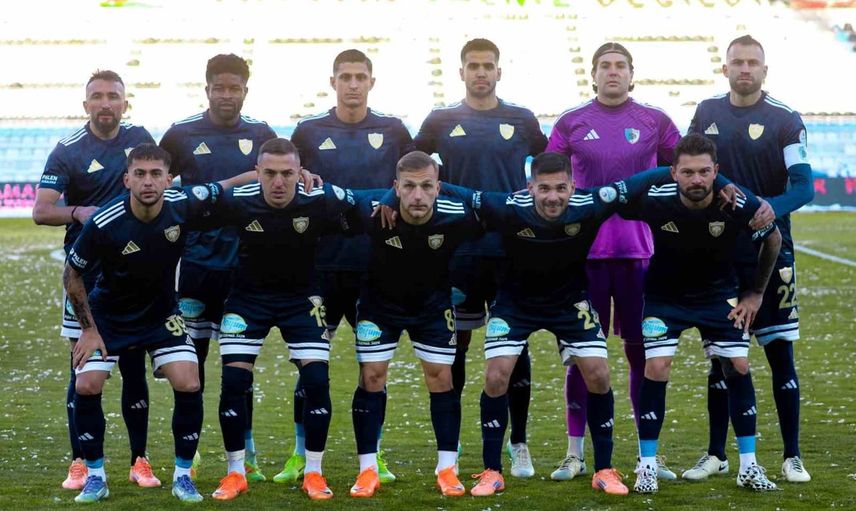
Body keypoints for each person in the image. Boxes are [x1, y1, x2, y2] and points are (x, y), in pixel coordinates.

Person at [62, 143, 254, 503]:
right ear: (127, 180)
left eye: (155, 174)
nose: (147, 181)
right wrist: (88, 329)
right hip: (109, 316)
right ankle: (96, 477)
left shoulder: (183, 204)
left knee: (189, 380)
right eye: (139, 174)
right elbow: (71, 274)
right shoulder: (105, 222)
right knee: (86, 385)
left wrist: (267, 174)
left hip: (161, 314)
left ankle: (183, 477)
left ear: (169, 179)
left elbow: (225, 185)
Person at [545, 42, 681, 482]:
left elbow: (683, 170)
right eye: (605, 66)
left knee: (642, 355)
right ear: (593, 74)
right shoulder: (571, 122)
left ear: (631, 74)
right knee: (582, 356)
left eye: (621, 65)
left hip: (640, 255)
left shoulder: (655, 121)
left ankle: (649, 454)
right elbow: (549, 178)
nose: (613, 72)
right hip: (584, 256)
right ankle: (574, 453)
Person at [414, 38, 547, 477]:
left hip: (511, 251)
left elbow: (550, 167)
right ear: (461, 72)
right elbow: (411, 167)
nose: (481, 73)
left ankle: (519, 443)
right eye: (473, 66)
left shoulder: (522, 119)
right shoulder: (440, 120)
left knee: (514, 346)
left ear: (498, 72)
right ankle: (449, 448)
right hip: (458, 254)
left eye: (488, 66)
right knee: (454, 346)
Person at [684, 34, 814, 484]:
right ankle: (716, 454)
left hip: (773, 252)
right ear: (725, 69)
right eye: (737, 62)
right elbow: (691, 168)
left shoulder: (785, 119)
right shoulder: (707, 112)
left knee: (780, 354)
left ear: (764, 70)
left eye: (752, 63)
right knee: (722, 358)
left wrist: (770, 207)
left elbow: (803, 186)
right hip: (719, 253)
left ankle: (792, 456)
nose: (744, 69)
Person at [622, 134, 782, 494]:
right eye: (688, 172)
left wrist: (756, 293)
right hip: (664, 298)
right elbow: (616, 201)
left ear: (716, 171)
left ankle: (749, 466)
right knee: (657, 367)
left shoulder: (737, 203)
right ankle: (646, 466)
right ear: (673, 173)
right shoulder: (656, 200)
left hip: (718, 297)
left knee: (738, 366)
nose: (697, 179)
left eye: (705, 172)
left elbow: (773, 240)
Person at [281, 48, 413, 485]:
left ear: (371, 82)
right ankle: (299, 455)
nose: (353, 84)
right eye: (345, 77)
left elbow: (414, 178)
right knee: (310, 366)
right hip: (318, 267)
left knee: (374, 367)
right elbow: (288, 180)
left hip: (376, 266)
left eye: (360, 76)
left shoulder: (393, 130)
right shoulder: (309, 131)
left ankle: (374, 456)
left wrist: (390, 197)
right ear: (333, 82)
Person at [205, 138, 360, 502]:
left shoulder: (319, 199)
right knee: (233, 382)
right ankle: (235, 473)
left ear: (300, 172)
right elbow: (188, 208)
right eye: (270, 173)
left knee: (316, 381)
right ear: (257, 173)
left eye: (287, 174)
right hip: (247, 300)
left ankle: (314, 472)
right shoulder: (237, 201)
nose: (278, 182)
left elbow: (364, 206)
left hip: (301, 300)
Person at [33, 70, 158, 491]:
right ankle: (81, 462)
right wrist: (77, 212)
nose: (106, 103)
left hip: (133, 273)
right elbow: (41, 210)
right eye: (98, 97)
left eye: (113, 96)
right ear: (86, 104)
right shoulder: (68, 150)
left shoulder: (140, 138)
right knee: (83, 370)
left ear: (125, 102)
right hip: (84, 277)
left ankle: (139, 460)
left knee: (134, 368)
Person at [159, 53, 277, 481]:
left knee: (239, 368)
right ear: (207, 89)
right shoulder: (181, 134)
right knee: (191, 366)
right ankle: (187, 457)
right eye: (219, 88)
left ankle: (246, 454)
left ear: (246, 90)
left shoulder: (261, 134)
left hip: (244, 267)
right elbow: (160, 188)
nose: (227, 95)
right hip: (193, 265)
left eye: (235, 88)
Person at [346, 151, 482, 498]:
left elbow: (500, 213)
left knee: (442, 378)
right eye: (408, 186)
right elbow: (332, 200)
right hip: (380, 306)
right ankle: (367, 470)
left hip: (432, 307)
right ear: (396, 187)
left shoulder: (458, 215)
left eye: (426, 186)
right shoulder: (373, 212)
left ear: (438, 187)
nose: (417, 195)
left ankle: (447, 469)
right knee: (371, 377)